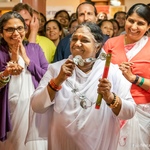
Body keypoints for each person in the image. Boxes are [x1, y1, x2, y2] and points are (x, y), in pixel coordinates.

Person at [29, 22, 136, 150]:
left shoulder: (112, 72)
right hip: (62, 143)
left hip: (99, 142)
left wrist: (110, 97)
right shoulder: (56, 69)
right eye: (74, 39)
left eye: (84, 40)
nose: (77, 44)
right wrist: (58, 80)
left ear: (97, 47)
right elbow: (37, 106)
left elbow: (129, 112)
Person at [103, 3, 150, 150]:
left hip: (141, 111)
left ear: (148, 26)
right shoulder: (111, 43)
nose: (134, 27)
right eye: (131, 21)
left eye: (140, 23)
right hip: (112, 106)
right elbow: (100, 73)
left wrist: (134, 78)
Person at [0, 11, 48, 150]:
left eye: (20, 28)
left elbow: (47, 77)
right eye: (10, 29)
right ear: (2, 32)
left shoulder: (35, 49)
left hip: (33, 108)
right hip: (7, 108)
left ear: (25, 30)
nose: (16, 33)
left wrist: (27, 60)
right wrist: (6, 73)